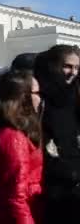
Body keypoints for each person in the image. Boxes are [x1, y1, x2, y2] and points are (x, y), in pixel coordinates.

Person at [0, 71, 43, 224]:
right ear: (24, 97)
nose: (40, 98)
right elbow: (16, 196)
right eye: (36, 93)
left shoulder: (4, 128)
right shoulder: (13, 137)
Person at [35, 45, 80, 223]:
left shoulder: (75, 95)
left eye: (77, 68)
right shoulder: (38, 97)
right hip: (51, 186)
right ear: (53, 66)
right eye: (67, 66)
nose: (73, 72)